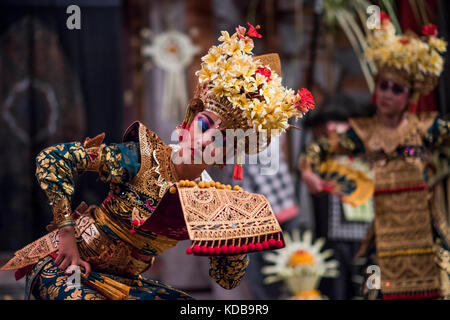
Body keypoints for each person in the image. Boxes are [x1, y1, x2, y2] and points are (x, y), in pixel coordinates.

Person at [1, 23, 315, 300]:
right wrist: (67, 235)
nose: (206, 140)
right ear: (191, 119)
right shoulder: (142, 157)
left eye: (221, 139)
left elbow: (227, 281)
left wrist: (234, 242)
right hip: (65, 264)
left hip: (120, 282)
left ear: (228, 153)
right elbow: (53, 158)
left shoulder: (213, 200)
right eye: (206, 125)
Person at [299, 16, 449, 299]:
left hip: (423, 236)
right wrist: (308, 172)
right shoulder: (362, 133)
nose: (387, 94)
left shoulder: (426, 128)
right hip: (383, 239)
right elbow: (318, 150)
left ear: (410, 96)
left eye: (397, 89)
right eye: (383, 86)